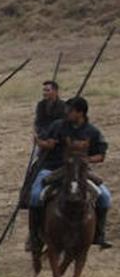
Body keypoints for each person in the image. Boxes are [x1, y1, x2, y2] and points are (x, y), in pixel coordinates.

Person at [29, 97, 111, 249]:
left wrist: (86, 159)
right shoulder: (58, 126)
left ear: (80, 113)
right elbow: (44, 141)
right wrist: (43, 143)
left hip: (79, 171)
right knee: (35, 196)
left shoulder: (92, 132)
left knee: (105, 197)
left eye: (70, 110)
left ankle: (99, 234)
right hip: (52, 167)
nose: (66, 112)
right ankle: (35, 237)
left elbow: (101, 155)